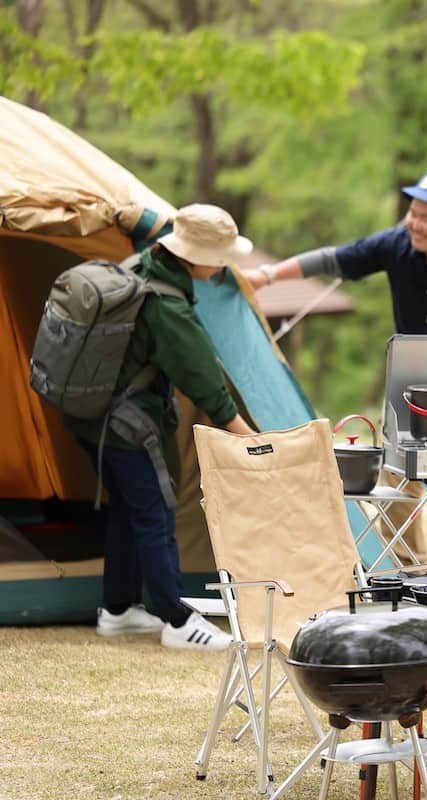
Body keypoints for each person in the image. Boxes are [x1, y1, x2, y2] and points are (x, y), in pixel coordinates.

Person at [248, 169, 427, 565]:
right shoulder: (396, 246)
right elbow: (335, 259)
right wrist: (266, 276)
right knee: (400, 473)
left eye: (425, 217)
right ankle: (406, 567)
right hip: (413, 388)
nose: (413, 224)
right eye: (412, 213)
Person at [66, 204, 257, 649]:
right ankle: (176, 619)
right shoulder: (168, 304)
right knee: (154, 512)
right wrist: (252, 442)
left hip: (90, 416)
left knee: (128, 509)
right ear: (197, 255)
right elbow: (208, 387)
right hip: (127, 424)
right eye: (222, 254)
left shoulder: (141, 265)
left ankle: (118, 609)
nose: (226, 263)